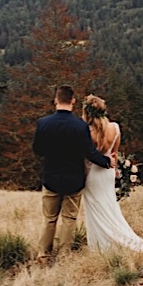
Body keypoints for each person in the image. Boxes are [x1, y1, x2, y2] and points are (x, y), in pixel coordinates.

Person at [31, 85, 113, 263]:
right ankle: (64, 256)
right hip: (74, 178)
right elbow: (90, 152)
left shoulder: (43, 123)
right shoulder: (80, 126)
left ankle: (43, 255)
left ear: (56, 101)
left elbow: (37, 149)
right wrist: (107, 162)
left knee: (49, 219)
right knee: (69, 218)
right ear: (73, 102)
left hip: (51, 176)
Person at [79, 95, 143, 253]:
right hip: (107, 172)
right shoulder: (114, 128)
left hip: (93, 174)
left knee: (96, 209)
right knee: (109, 206)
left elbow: (86, 155)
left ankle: (102, 245)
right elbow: (114, 153)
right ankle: (112, 239)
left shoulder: (86, 131)